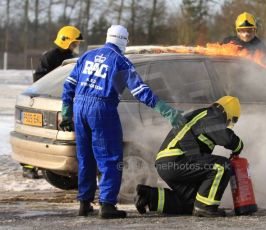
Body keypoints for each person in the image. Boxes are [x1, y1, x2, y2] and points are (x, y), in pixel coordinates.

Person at [60, 25, 184, 219]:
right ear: (125, 40)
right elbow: (141, 91)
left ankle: (84, 203)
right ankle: (107, 205)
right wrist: (166, 111)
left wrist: (67, 112)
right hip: (102, 109)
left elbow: (68, 85)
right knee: (110, 158)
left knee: (86, 157)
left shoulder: (87, 56)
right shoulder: (121, 62)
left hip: (79, 107)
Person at [135, 96, 244, 217]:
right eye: (232, 120)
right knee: (222, 166)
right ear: (227, 113)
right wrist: (238, 146)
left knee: (191, 203)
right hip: (177, 160)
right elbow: (227, 138)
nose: (229, 124)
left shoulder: (202, 115)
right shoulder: (213, 116)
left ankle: (149, 196)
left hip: (165, 164)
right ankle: (206, 208)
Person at [22, 25, 83, 180]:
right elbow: (40, 78)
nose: (75, 46)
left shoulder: (69, 56)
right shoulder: (49, 56)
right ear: (65, 41)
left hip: (63, 97)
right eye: (74, 43)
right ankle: (29, 166)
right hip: (47, 97)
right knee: (36, 132)